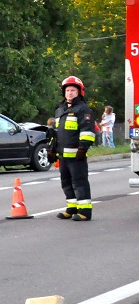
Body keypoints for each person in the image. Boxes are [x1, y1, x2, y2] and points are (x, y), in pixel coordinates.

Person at [52, 76, 97, 221]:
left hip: (77, 155)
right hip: (63, 156)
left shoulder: (83, 110)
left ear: (79, 92)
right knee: (66, 182)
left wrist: (82, 149)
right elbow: (56, 132)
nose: (70, 93)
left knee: (79, 182)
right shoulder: (60, 110)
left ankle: (84, 211)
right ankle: (72, 207)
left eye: (73, 90)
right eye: (67, 90)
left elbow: (88, 132)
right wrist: (51, 149)